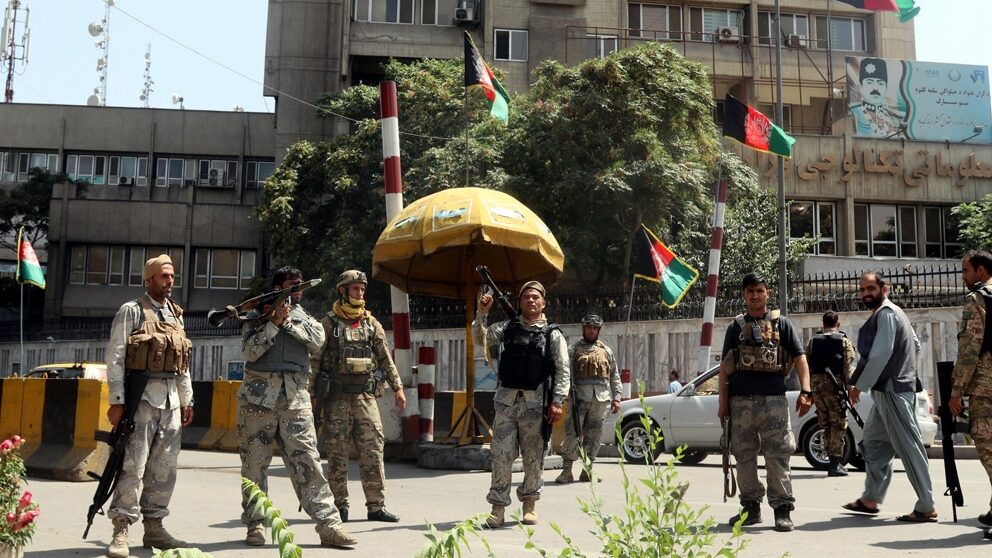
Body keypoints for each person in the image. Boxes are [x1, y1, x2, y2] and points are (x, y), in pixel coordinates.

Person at [238, 266, 356, 548]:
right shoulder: (256, 316)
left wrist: (287, 322)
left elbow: (317, 341)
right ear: (278, 287)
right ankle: (256, 524)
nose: (298, 288)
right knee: (254, 464)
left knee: (308, 462)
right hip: (257, 399)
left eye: (300, 284)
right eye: (292, 284)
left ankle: (329, 525)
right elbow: (250, 351)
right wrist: (272, 323)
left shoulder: (305, 317)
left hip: (295, 399)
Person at [104, 254, 194, 558]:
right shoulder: (131, 311)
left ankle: (154, 528)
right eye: (163, 276)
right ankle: (121, 528)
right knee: (133, 465)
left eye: (171, 276)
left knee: (164, 469)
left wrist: (187, 399)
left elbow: (183, 363)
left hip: (170, 402)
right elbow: (115, 357)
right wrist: (117, 401)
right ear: (149, 279)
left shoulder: (176, 314)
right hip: (140, 400)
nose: (170, 281)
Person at [717, 271, 812, 532]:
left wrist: (806, 390)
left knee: (778, 455)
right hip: (741, 403)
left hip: (774, 402)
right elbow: (725, 369)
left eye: (760, 291)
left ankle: (782, 510)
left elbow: (800, 358)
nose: (755, 296)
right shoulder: (735, 327)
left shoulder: (783, 324)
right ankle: (751, 509)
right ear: (744, 295)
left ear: (768, 293)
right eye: (750, 291)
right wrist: (722, 404)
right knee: (744, 456)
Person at [474, 281, 570, 528]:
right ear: (520, 302)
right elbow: (479, 339)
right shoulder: (505, 328)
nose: (531, 300)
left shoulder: (552, 334)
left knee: (533, 458)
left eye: (535, 297)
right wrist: (481, 314)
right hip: (506, 404)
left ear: (543, 303)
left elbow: (562, 370)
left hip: (535, 406)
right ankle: (498, 509)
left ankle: (529, 504)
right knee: (501, 457)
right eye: (526, 296)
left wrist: (557, 401)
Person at [842, 271, 936, 522]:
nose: (865, 293)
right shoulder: (891, 313)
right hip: (886, 391)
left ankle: (926, 505)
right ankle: (871, 499)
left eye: (870, 288)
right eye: (862, 289)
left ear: (885, 288)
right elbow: (914, 345)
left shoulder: (886, 314)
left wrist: (859, 386)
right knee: (873, 443)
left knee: (909, 447)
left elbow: (881, 354)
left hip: (894, 392)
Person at [315, 269, 406, 523]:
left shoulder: (370, 323)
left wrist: (397, 388)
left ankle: (376, 507)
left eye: (362, 289)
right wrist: (311, 396)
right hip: (337, 400)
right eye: (355, 288)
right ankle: (339, 506)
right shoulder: (329, 324)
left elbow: (385, 359)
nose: (360, 293)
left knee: (373, 451)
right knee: (337, 454)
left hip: (366, 399)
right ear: (343, 291)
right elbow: (315, 362)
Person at [949, 251, 992, 527]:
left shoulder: (978, 299)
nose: (963, 276)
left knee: (988, 446)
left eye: (966, 271)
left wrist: (956, 391)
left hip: (986, 388)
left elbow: (970, 349)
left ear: (981, 271)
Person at [555, 313, 621, 484]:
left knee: (595, 436)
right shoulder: (573, 350)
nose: (591, 331)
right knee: (572, 434)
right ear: (583, 329)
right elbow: (564, 374)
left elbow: (614, 376)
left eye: (595, 328)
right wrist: (562, 395)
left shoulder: (606, 351)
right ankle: (566, 471)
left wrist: (617, 397)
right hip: (579, 399)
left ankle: (587, 470)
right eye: (589, 328)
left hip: (600, 402)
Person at [805, 310, 856, 477]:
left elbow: (806, 365)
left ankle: (831, 460)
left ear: (823, 324)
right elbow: (848, 368)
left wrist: (807, 391)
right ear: (838, 324)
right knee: (839, 423)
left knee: (825, 423)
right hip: (835, 388)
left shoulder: (812, 341)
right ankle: (834, 464)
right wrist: (850, 389)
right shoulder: (843, 341)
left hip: (816, 387)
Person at [850, 57, 905, 138]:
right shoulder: (854, 113)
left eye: (880, 83)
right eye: (870, 82)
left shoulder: (894, 118)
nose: (875, 87)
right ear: (861, 87)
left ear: (886, 88)